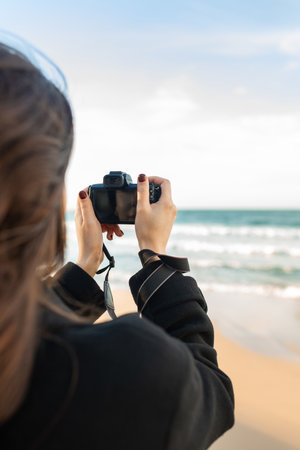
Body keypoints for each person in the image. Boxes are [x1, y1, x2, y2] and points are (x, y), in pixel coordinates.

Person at [0, 42, 234, 450]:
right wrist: (156, 258)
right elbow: (211, 393)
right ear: (45, 196)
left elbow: (25, 330)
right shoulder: (125, 365)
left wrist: (87, 264)